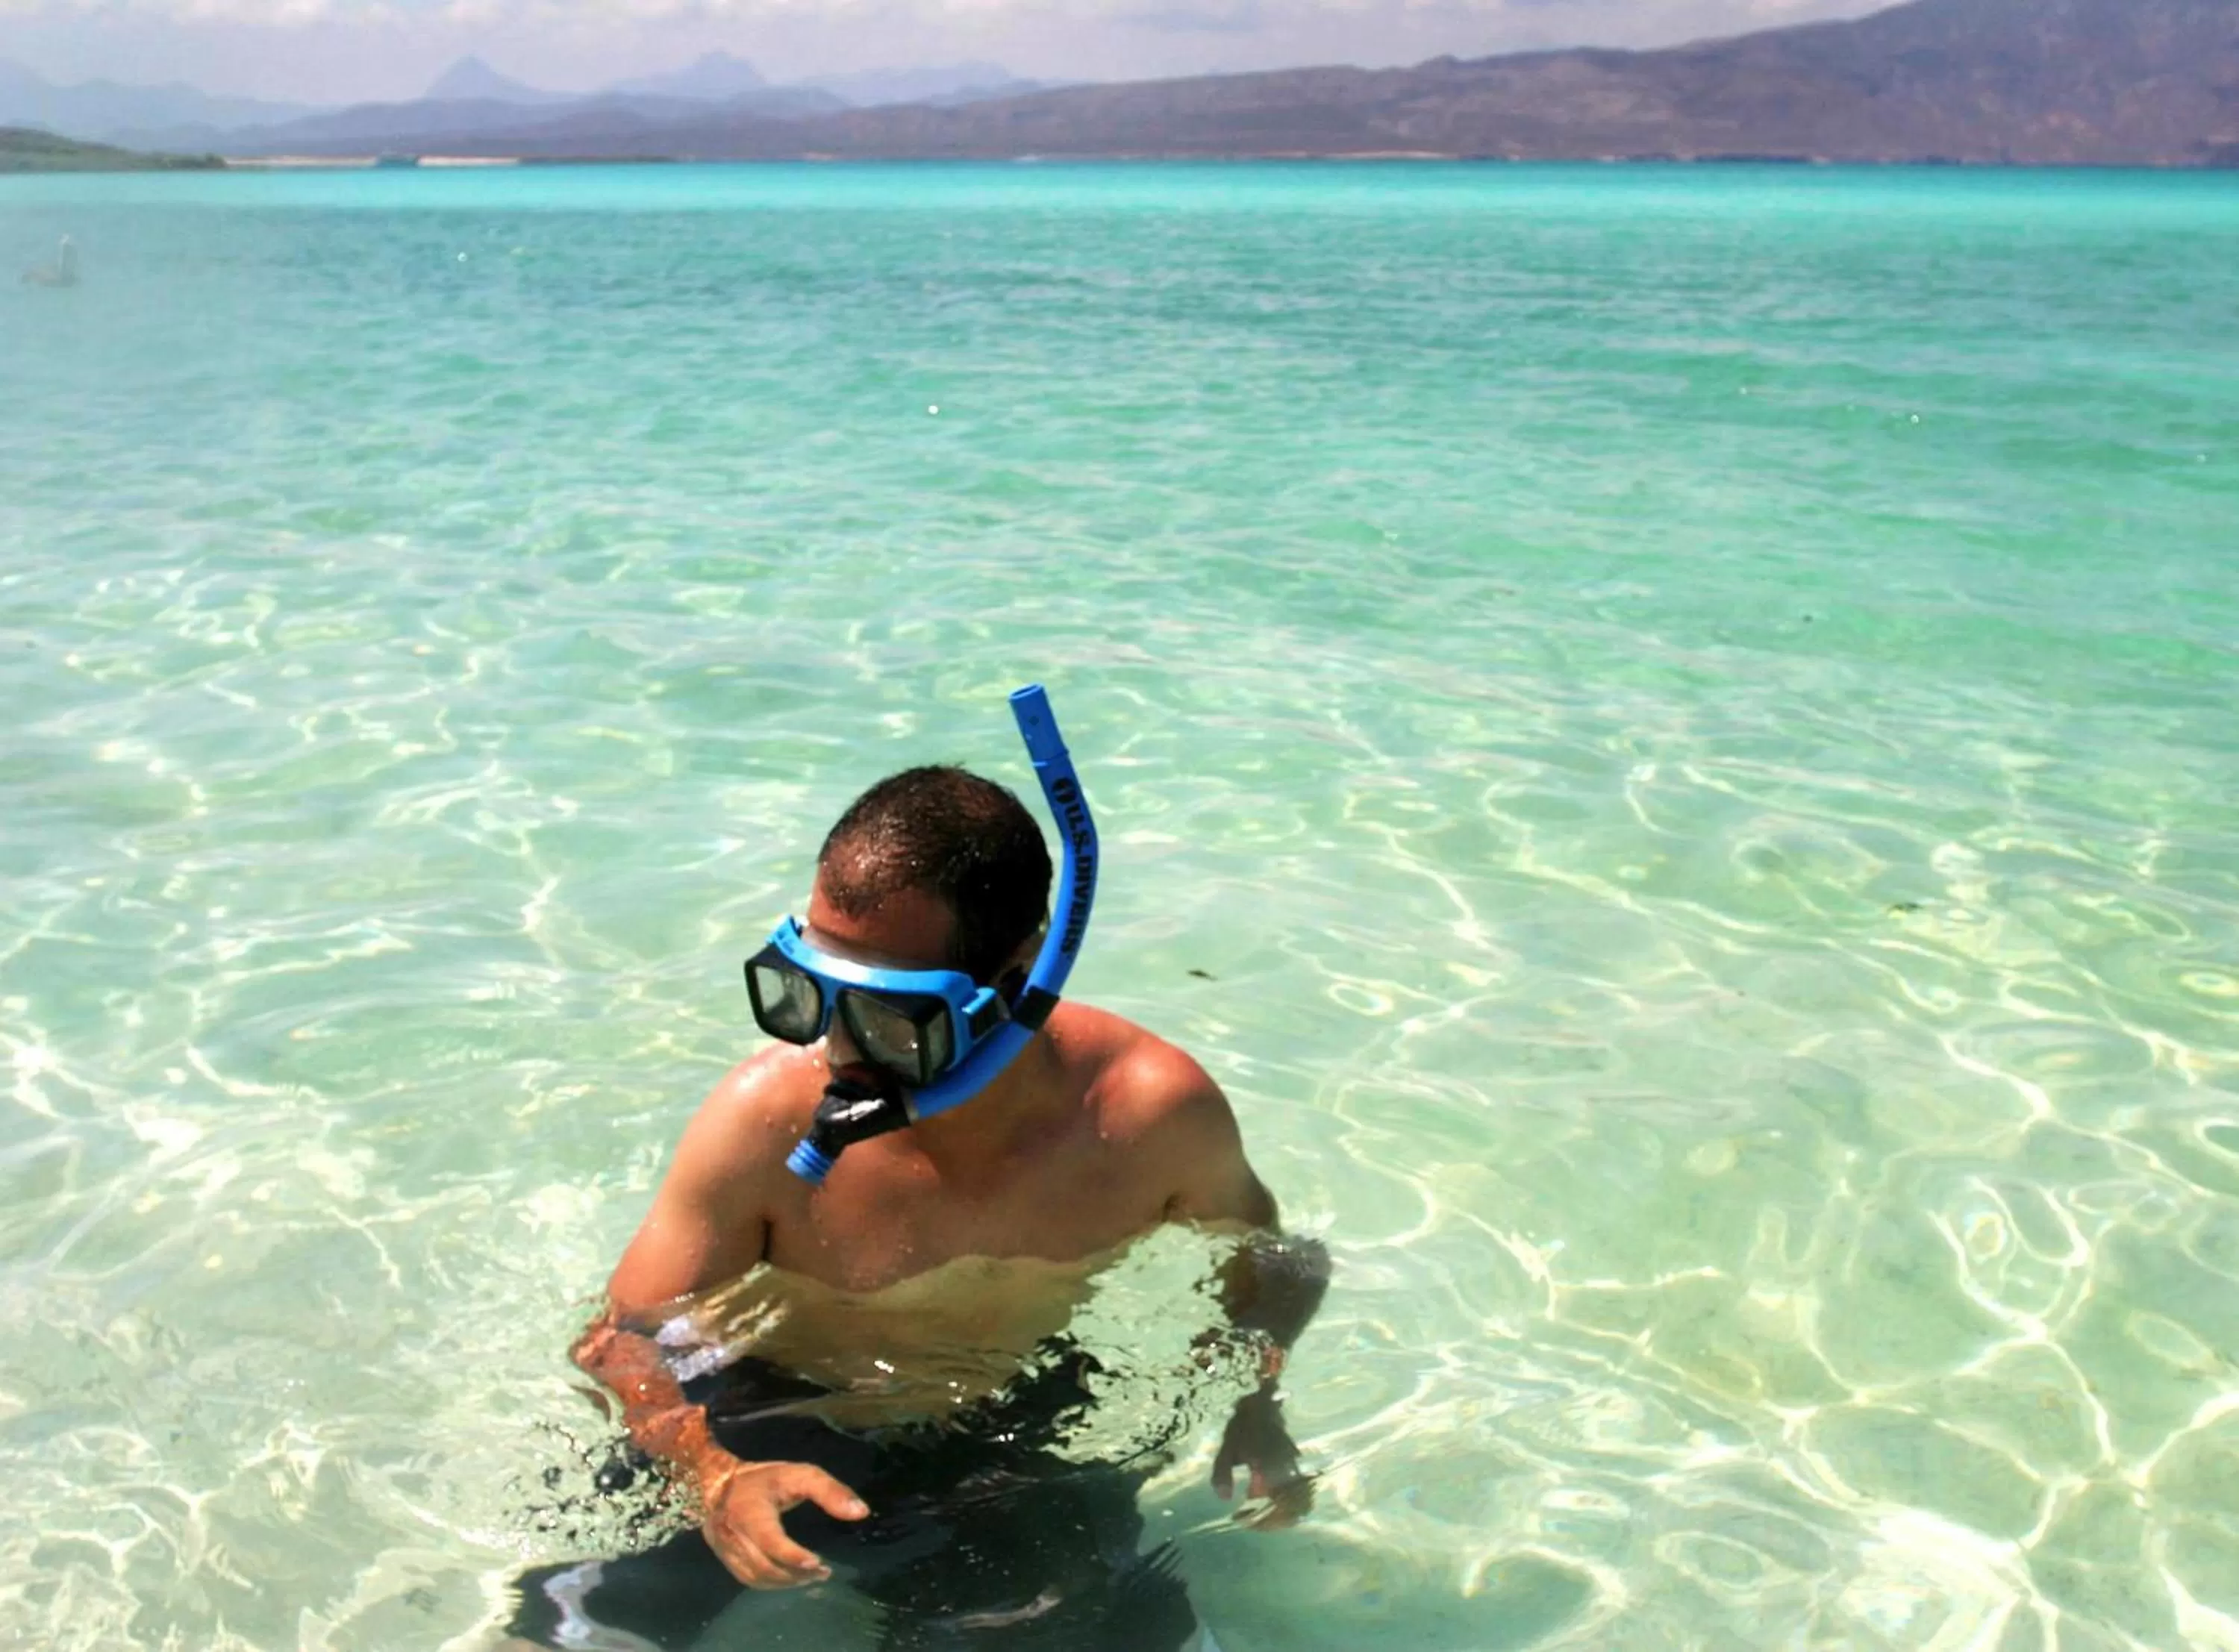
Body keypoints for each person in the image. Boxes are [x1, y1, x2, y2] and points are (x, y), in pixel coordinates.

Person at [508, 705, 1326, 1651]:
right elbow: (617, 1339)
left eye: (893, 1017)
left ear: (1017, 975)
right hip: (763, 1406)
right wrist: (711, 1475)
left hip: (1003, 1433)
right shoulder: (766, 1116)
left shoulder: (1147, 1117)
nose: (838, 1046)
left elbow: (1275, 1263)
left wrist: (1255, 1407)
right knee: (563, 1631)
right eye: (808, 991)